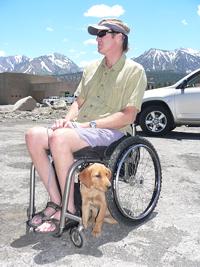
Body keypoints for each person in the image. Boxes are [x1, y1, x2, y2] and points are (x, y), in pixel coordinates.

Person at [25, 18, 147, 233]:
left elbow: (128, 115)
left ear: (119, 37)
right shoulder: (91, 68)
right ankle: (56, 202)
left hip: (112, 132)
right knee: (33, 135)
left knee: (58, 138)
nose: (96, 39)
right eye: (96, 35)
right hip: (82, 128)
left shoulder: (135, 71)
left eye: (102, 34)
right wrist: (67, 120)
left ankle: (69, 209)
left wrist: (88, 125)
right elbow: (78, 102)